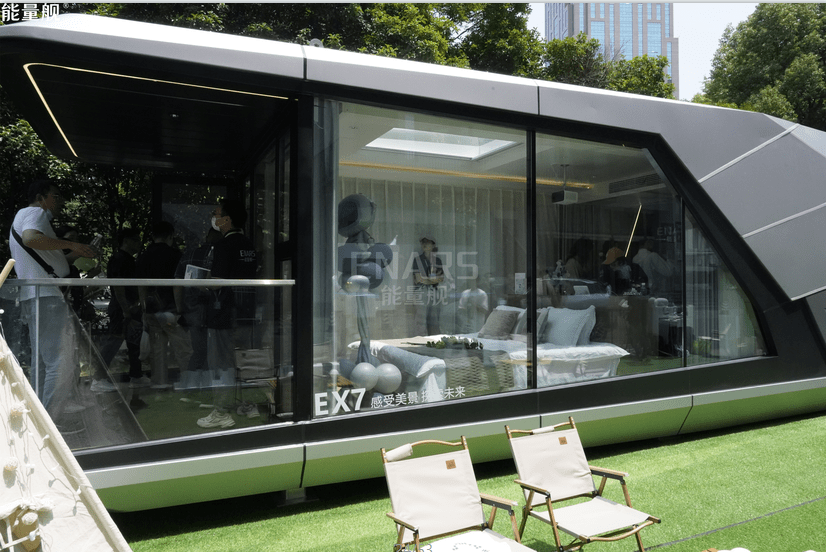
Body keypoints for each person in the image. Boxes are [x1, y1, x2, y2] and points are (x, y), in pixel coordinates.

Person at [9, 179, 96, 418]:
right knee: (60, 362)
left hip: (35, 295)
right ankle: (48, 420)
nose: (60, 202)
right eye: (55, 197)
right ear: (41, 198)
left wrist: (74, 253)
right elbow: (30, 238)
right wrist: (71, 243)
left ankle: (36, 416)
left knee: (41, 362)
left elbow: (47, 260)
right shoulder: (35, 212)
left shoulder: (24, 216)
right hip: (46, 296)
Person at [198, 199, 258, 429]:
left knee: (222, 364)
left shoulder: (223, 246)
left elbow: (216, 282)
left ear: (227, 219)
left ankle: (221, 411)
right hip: (246, 312)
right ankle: (246, 404)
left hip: (224, 312)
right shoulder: (249, 245)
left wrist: (201, 283)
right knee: (244, 361)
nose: (214, 218)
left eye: (217, 214)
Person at [135, 221, 192, 389]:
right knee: (183, 349)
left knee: (157, 350)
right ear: (170, 236)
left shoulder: (144, 256)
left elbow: (141, 286)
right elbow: (177, 284)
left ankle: (159, 382)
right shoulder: (176, 255)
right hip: (171, 309)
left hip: (152, 310)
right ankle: (187, 380)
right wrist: (180, 308)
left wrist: (144, 309)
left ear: (153, 236)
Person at [100, 227, 148, 391]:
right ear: (126, 241)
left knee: (134, 342)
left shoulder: (128, 259)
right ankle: (98, 377)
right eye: (135, 240)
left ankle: (136, 375)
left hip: (130, 306)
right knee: (115, 340)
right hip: (122, 306)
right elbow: (118, 286)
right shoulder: (119, 259)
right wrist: (125, 308)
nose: (139, 243)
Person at [173, 227, 222, 389]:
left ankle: (193, 384)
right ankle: (200, 384)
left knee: (198, 349)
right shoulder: (221, 255)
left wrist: (180, 309)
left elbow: (177, 284)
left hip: (192, 309)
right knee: (210, 350)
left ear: (207, 236)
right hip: (214, 309)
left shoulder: (189, 255)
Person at [412, 237, 444, 336]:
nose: (424, 244)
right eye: (423, 242)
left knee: (434, 320)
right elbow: (419, 279)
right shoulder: (418, 260)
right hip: (421, 291)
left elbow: (441, 278)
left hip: (434, 291)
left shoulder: (437, 260)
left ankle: (434, 340)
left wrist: (428, 279)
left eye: (427, 242)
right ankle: (420, 340)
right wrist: (432, 279)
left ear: (433, 245)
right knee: (421, 319)